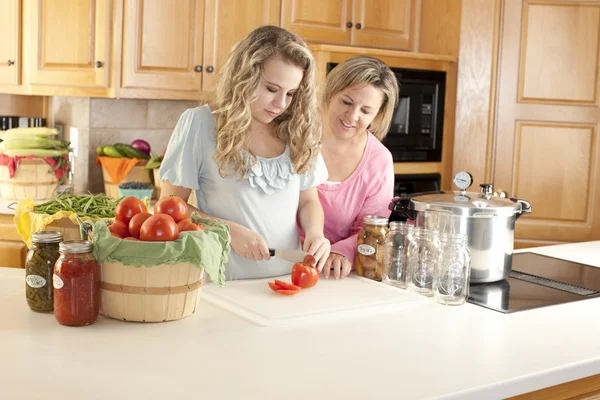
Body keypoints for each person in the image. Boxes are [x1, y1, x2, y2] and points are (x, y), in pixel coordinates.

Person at [159, 25, 330, 280]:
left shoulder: (297, 130)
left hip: (289, 279)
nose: (281, 104)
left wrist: (316, 233)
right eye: (271, 89)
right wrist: (225, 230)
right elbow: (169, 207)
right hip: (224, 283)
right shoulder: (200, 124)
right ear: (244, 77)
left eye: (291, 93)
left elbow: (308, 201)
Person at [316, 56, 399, 280]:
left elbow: (370, 229)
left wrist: (341, 251)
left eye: (366, 111)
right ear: (331, 92)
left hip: (331, 275)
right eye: (347, 102)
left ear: (378, 115)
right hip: (269, 262)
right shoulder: (293, 134)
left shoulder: (378, 160)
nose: (352, 116)